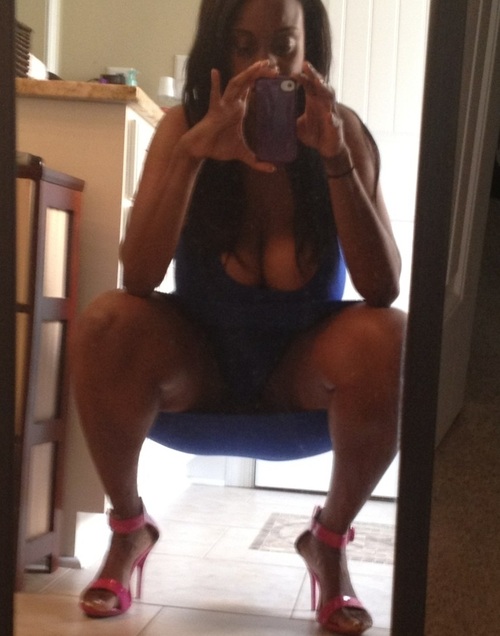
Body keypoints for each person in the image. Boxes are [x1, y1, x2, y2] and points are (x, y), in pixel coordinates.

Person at [70, 0, 406, 633]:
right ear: (217, 49)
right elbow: (138, 277)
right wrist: (193, 155)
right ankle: (128, 528)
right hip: (199, 373)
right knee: (108, 320)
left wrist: (335, 158)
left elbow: (382, 287)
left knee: (394, 336)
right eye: (243, 44)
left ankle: (328, 544)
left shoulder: (343, 133)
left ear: (310, 48)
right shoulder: (184, 127)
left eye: (283, 44)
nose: (265, 64)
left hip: (298, 381)